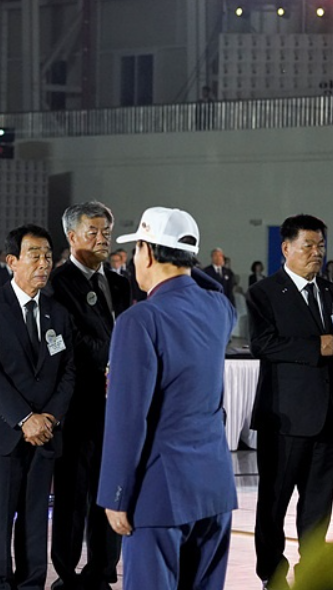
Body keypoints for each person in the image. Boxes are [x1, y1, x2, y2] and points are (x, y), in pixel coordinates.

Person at [98, 207, 237, 590]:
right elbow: (216, 288)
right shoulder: (218, 310)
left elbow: (128, 419)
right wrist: (188, 265)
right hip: (214, 490)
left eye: (139, 248)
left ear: (149, 253)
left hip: (160, 493)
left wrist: (115, 493)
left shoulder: (139, 320)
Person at [0, 223, 75, 590]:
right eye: (34, 255)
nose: (43, 263)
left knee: (36, 516)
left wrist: (49, 418)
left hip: (44, 434)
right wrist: (25, 419)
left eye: (48, 256)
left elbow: (68, 373)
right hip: (0, 430)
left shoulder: (59, 312)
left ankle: (32, 583)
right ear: (12, 261)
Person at [247, 214, 333, 590]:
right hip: (284, 419)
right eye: (308, 246)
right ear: (286, 248)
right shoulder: (264, 293)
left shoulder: (329, 292)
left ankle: (312, 574)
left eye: (322, 246)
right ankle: (273, 573)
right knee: (273, 505)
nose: (317, 253)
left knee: (318, 508)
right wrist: (319, 347)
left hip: (328, 419)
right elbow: (262, 344)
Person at [48, 202, 131, 590]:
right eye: (93, 232)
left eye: (106, 232)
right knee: (72, 492)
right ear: (72, 236)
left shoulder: (118, 282)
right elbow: (68, 339)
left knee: (109, 485)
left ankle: (102, 568)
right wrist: (114, 356)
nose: (102, 239)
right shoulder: (58, 282)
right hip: (77, 404)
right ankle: (65, 571)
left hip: (116, 406)